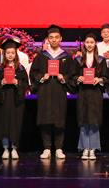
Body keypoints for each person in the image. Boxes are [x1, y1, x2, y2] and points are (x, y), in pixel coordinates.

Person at [29, 24, 76, 159]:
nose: (54, 39)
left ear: (61, 39)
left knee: (59, 119)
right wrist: (42, 77)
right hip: (45, 91)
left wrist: (63, 78)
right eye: (51, 37)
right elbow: (33, 73)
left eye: (56, 37)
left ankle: (59, 148)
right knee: (45, 119)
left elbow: (72, 75)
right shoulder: (41, 56)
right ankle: (47, 148)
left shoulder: (66, 56)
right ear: (48, 39)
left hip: (59, 91)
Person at [0, 37, 29, 160]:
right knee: (4, 124)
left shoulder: (21, 69)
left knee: (15, 124)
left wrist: (18, 83)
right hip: (4, 100)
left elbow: (26, 85)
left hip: (16, 101)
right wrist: (1, 83)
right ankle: (6, 148)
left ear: (16, 54)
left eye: (12, 53)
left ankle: (14, 148)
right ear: (4, 54)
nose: (10, 55)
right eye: (8, 53)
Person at [73, 32, 107, 160]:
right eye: (87, 42)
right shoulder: (78, 60)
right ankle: (84, 148)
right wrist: (78, 78)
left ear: (95, 44)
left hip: (95, 93)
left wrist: (99, 79)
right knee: (83, 120)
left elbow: (106, 77)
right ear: (84, 44)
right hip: (83, 93)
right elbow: (72, 76)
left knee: (94, 121)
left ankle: (92, 148)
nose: (89, 45)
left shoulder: (101, 60)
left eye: (92, 42)